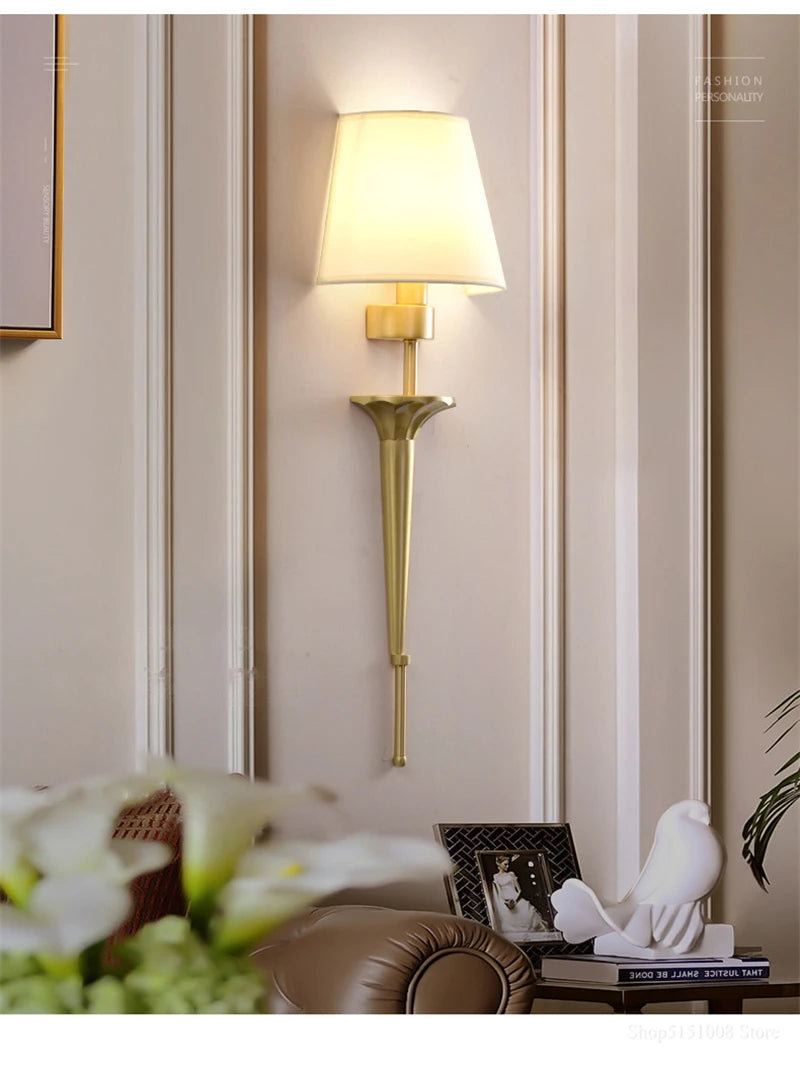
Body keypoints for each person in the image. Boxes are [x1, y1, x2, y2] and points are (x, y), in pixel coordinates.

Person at [490, 855, 549, 936]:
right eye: (505, 864)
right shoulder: (496, 876)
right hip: (505, 900)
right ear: (499, 864)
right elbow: (499, 892)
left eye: (508, 864)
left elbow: (519, 890)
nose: (508, 866)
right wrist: (506, 901)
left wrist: (515, 900)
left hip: (516, 897)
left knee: (528, 915)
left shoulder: (511, 874)